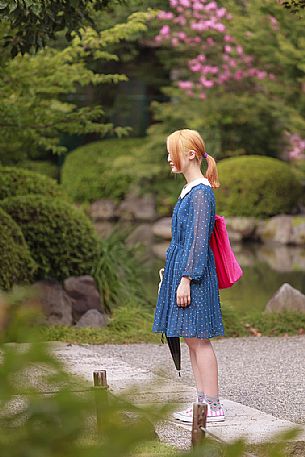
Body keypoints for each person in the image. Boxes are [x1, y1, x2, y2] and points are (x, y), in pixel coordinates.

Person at [152, 129, 225, 423]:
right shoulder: (191, 191)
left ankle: (214, 405)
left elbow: (197, 240)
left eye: (173, 152)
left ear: (190, 155)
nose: (169, 158)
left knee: (199, 339)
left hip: (193, 276)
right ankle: (201, 404)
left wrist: (186, 278)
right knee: (192, 340)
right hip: (183, 271)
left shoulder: (201, 193)